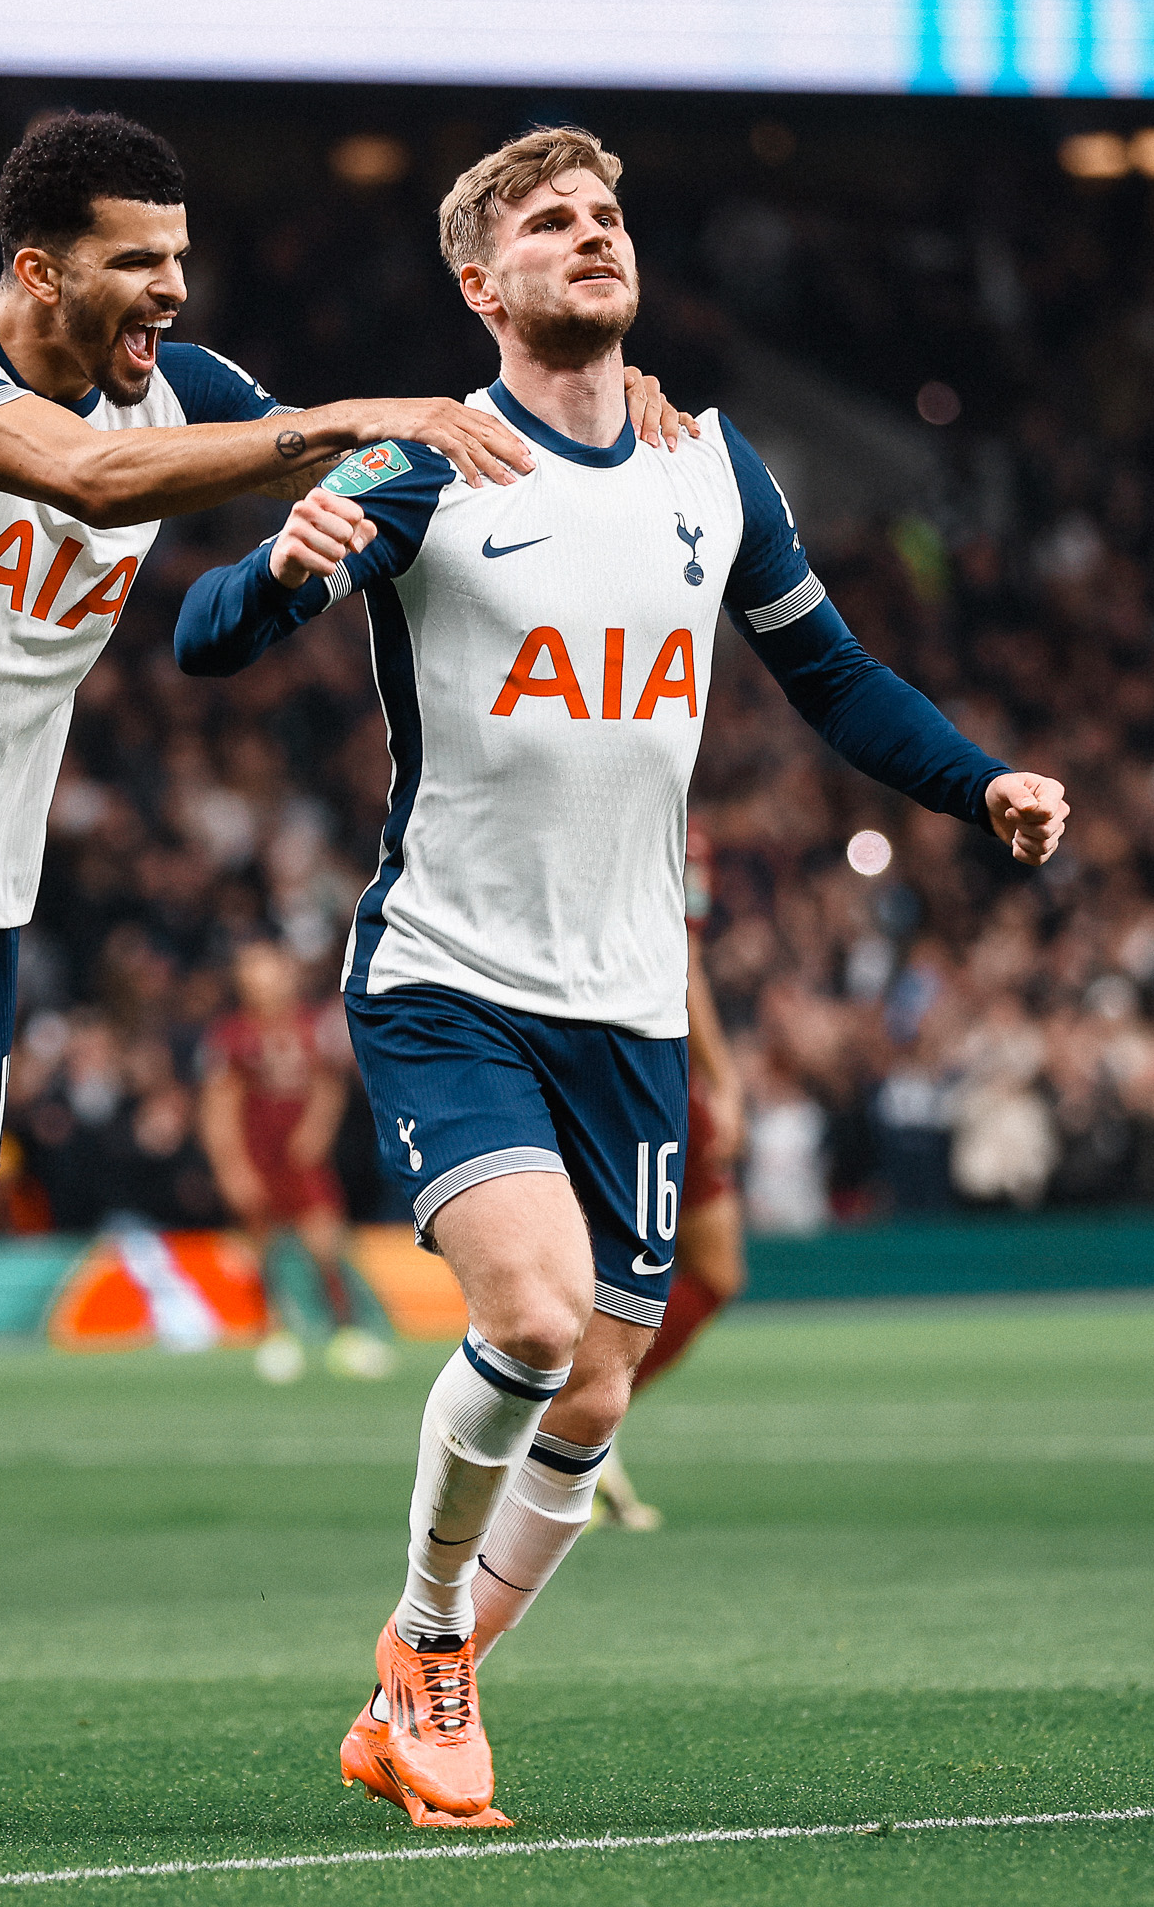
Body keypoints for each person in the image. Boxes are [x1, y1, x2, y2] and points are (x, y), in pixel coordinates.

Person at [0, 108, 689, 1828]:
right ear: (36, 267)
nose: (166, 289)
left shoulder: (192, 388)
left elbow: (370, 470)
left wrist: (618, 422)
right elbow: (83, 476)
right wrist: (336, 424)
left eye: (179, 258)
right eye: (135, 259)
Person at [174, 123, 1068, 1828]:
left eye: (606, 216)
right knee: (522, 1318)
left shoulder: (708, 467)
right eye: (549, 223)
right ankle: (430, 1650)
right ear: (477, 282)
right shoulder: (426, 467)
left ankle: (405, 1693)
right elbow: (206, 636)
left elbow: (831, 672)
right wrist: (280, 559)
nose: (593, 237)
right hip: (447, 973)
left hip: (630, 1003)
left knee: (589, 1385)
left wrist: (978, 782)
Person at [593, 823, 744, 1530]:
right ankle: (574, 1431)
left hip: (652, 1061)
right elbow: (683, 963)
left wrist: (717, 1077)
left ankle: (586, 1423)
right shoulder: (667, 830)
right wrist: (723, 1078)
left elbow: (685, 963)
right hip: (629, 1058)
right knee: (606, 1271)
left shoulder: (686, 834)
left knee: (710, 1269)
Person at [198, 937, 394, 1383]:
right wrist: (233, 1167)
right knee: (263, 1247)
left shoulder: (309, 1027)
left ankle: (347, 1333)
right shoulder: (233, 1035)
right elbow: (219, 1106)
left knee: (326, 1243)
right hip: (258, 1156)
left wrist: (316, 1130)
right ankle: (275, 1334)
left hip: (300, 1163)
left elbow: (329, 1085)